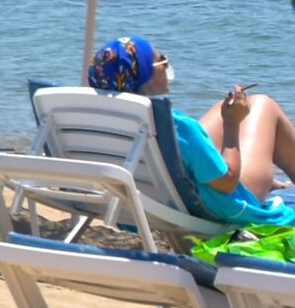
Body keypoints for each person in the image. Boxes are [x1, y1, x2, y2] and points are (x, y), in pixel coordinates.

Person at [87, 37, 295, 213]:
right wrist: (232, 125)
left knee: (220, 113)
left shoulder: (104, 120)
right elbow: (228, 183)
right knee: (262, 104)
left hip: (144, 201)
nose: (167, 65)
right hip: (219, 206)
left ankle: (263, 173)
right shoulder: (173, 126)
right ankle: (262, 177)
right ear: (144, 76)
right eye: (162, 61)